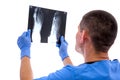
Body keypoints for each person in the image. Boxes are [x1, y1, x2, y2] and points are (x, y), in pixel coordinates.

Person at [17, 10, 120, 80]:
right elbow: (81, 74)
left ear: (83, 35)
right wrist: (64, 55)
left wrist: (25, 50)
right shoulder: (117, 67)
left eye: (78, 30)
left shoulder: (71, 75)